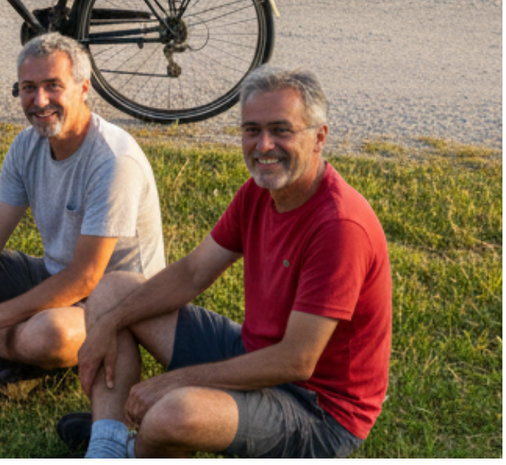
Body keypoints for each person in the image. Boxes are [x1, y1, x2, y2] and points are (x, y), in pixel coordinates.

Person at [60, 66, 390, 458]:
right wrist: (108, 322)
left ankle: (137, 448)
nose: (263, 145)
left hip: (317, 410)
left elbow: (296, 361)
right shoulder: (258, 193)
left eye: (281, 130)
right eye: (252, 130)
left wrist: (174, 382)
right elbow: (192, 273)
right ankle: (107, 447)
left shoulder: (339, 226)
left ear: (319, 137)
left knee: (171, 413)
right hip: (253, 353)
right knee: (113, 292)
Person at [0, 33, 165, 399]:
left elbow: (86, 278)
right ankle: (4, 345)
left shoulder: (112, 160)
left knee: (49, 335)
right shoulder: (26, 144)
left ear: (83, 88)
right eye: (29, 88)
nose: (39, 101)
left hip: (110, 304)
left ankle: (8, 347)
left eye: (52, 86)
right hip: (52, 274)